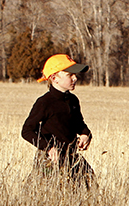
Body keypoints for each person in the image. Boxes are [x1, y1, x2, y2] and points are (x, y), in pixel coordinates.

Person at [22, 54, 94, 186]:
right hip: (50, 158)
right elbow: (27, 131)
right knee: (46, 192)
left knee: (90, 183)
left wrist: (85, 134)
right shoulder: (44, 102)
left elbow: (79, 124)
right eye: (70, 75)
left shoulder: (73, 100)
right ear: (54, 78)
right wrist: (48, 148)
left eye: (75, 75)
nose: (75, 78)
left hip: (71, 155)